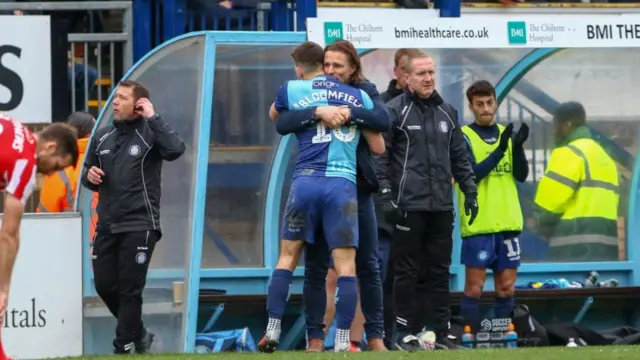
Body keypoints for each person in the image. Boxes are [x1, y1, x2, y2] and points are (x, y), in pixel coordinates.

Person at [259, 41, 385, 353]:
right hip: (342, 187)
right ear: (322, 64)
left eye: (337, 65)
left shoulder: (295, 88)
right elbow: (381, 145)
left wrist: (314, 111)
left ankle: (273, 328)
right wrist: (352, 117)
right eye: (328, 64)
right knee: (346, 267)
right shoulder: (360, 96)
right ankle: (342, 339)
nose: (331, 70)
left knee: (288, 258)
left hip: (305, 182)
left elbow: (277, 118)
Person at [377, 50, 478, 351]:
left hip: (442, 207)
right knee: (405, 271)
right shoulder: (395, 111)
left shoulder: (448, 111)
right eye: (421, 73)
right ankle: (403, 332)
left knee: (439, 270)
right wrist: (385, 196)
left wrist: (470, 190)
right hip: (408, 206)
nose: (428, 78)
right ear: (406, 77)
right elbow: (380, 158)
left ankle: (442, 331)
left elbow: (459, 156)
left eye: (431, 72)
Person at [81, 80, 186, 354]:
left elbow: (175, 149)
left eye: (123, 97)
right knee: (104, 284)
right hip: (107, 225)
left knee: (130, 289)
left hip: (140, 223)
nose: (115, 102)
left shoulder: (150, 133)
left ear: (139, 105)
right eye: (116, 97)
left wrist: (153, 117)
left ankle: (123, 346)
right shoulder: (102, 136)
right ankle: (139, 333)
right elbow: (88, 175)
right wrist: (89, 176)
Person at [0, 114, 78, 360]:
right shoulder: (27, 163)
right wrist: (3, 288)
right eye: (56, 166)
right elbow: (9, 234)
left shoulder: (14, 125)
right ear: (50, 146)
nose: (51, 174)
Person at [456, 80, 529, 329]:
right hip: (480, 225)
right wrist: (499, 151)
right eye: (479, 104)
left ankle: (503, 341)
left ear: (495, 103)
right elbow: (471, 174)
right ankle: (470, 340)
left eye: (489, 103)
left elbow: (520, 175)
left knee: (506, 288)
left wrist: (516, 148)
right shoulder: (463, 136)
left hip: (508, 222)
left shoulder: (505, 133)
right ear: (471, 106)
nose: (485, 108)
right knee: (474, 288)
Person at [533, 102, 619, 262]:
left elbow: (549, 205)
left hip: (572, 249)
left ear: (567, 125)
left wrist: (538, 223)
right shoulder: (606, 158)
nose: (553, 131)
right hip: (607, 250)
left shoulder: (569, 152)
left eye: (555, 125)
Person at [38, 112, 96, 213]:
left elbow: (47, 210)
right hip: (109, 227)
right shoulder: (105, 158)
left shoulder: (59, 165)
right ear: (90, 134)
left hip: (69, 226)